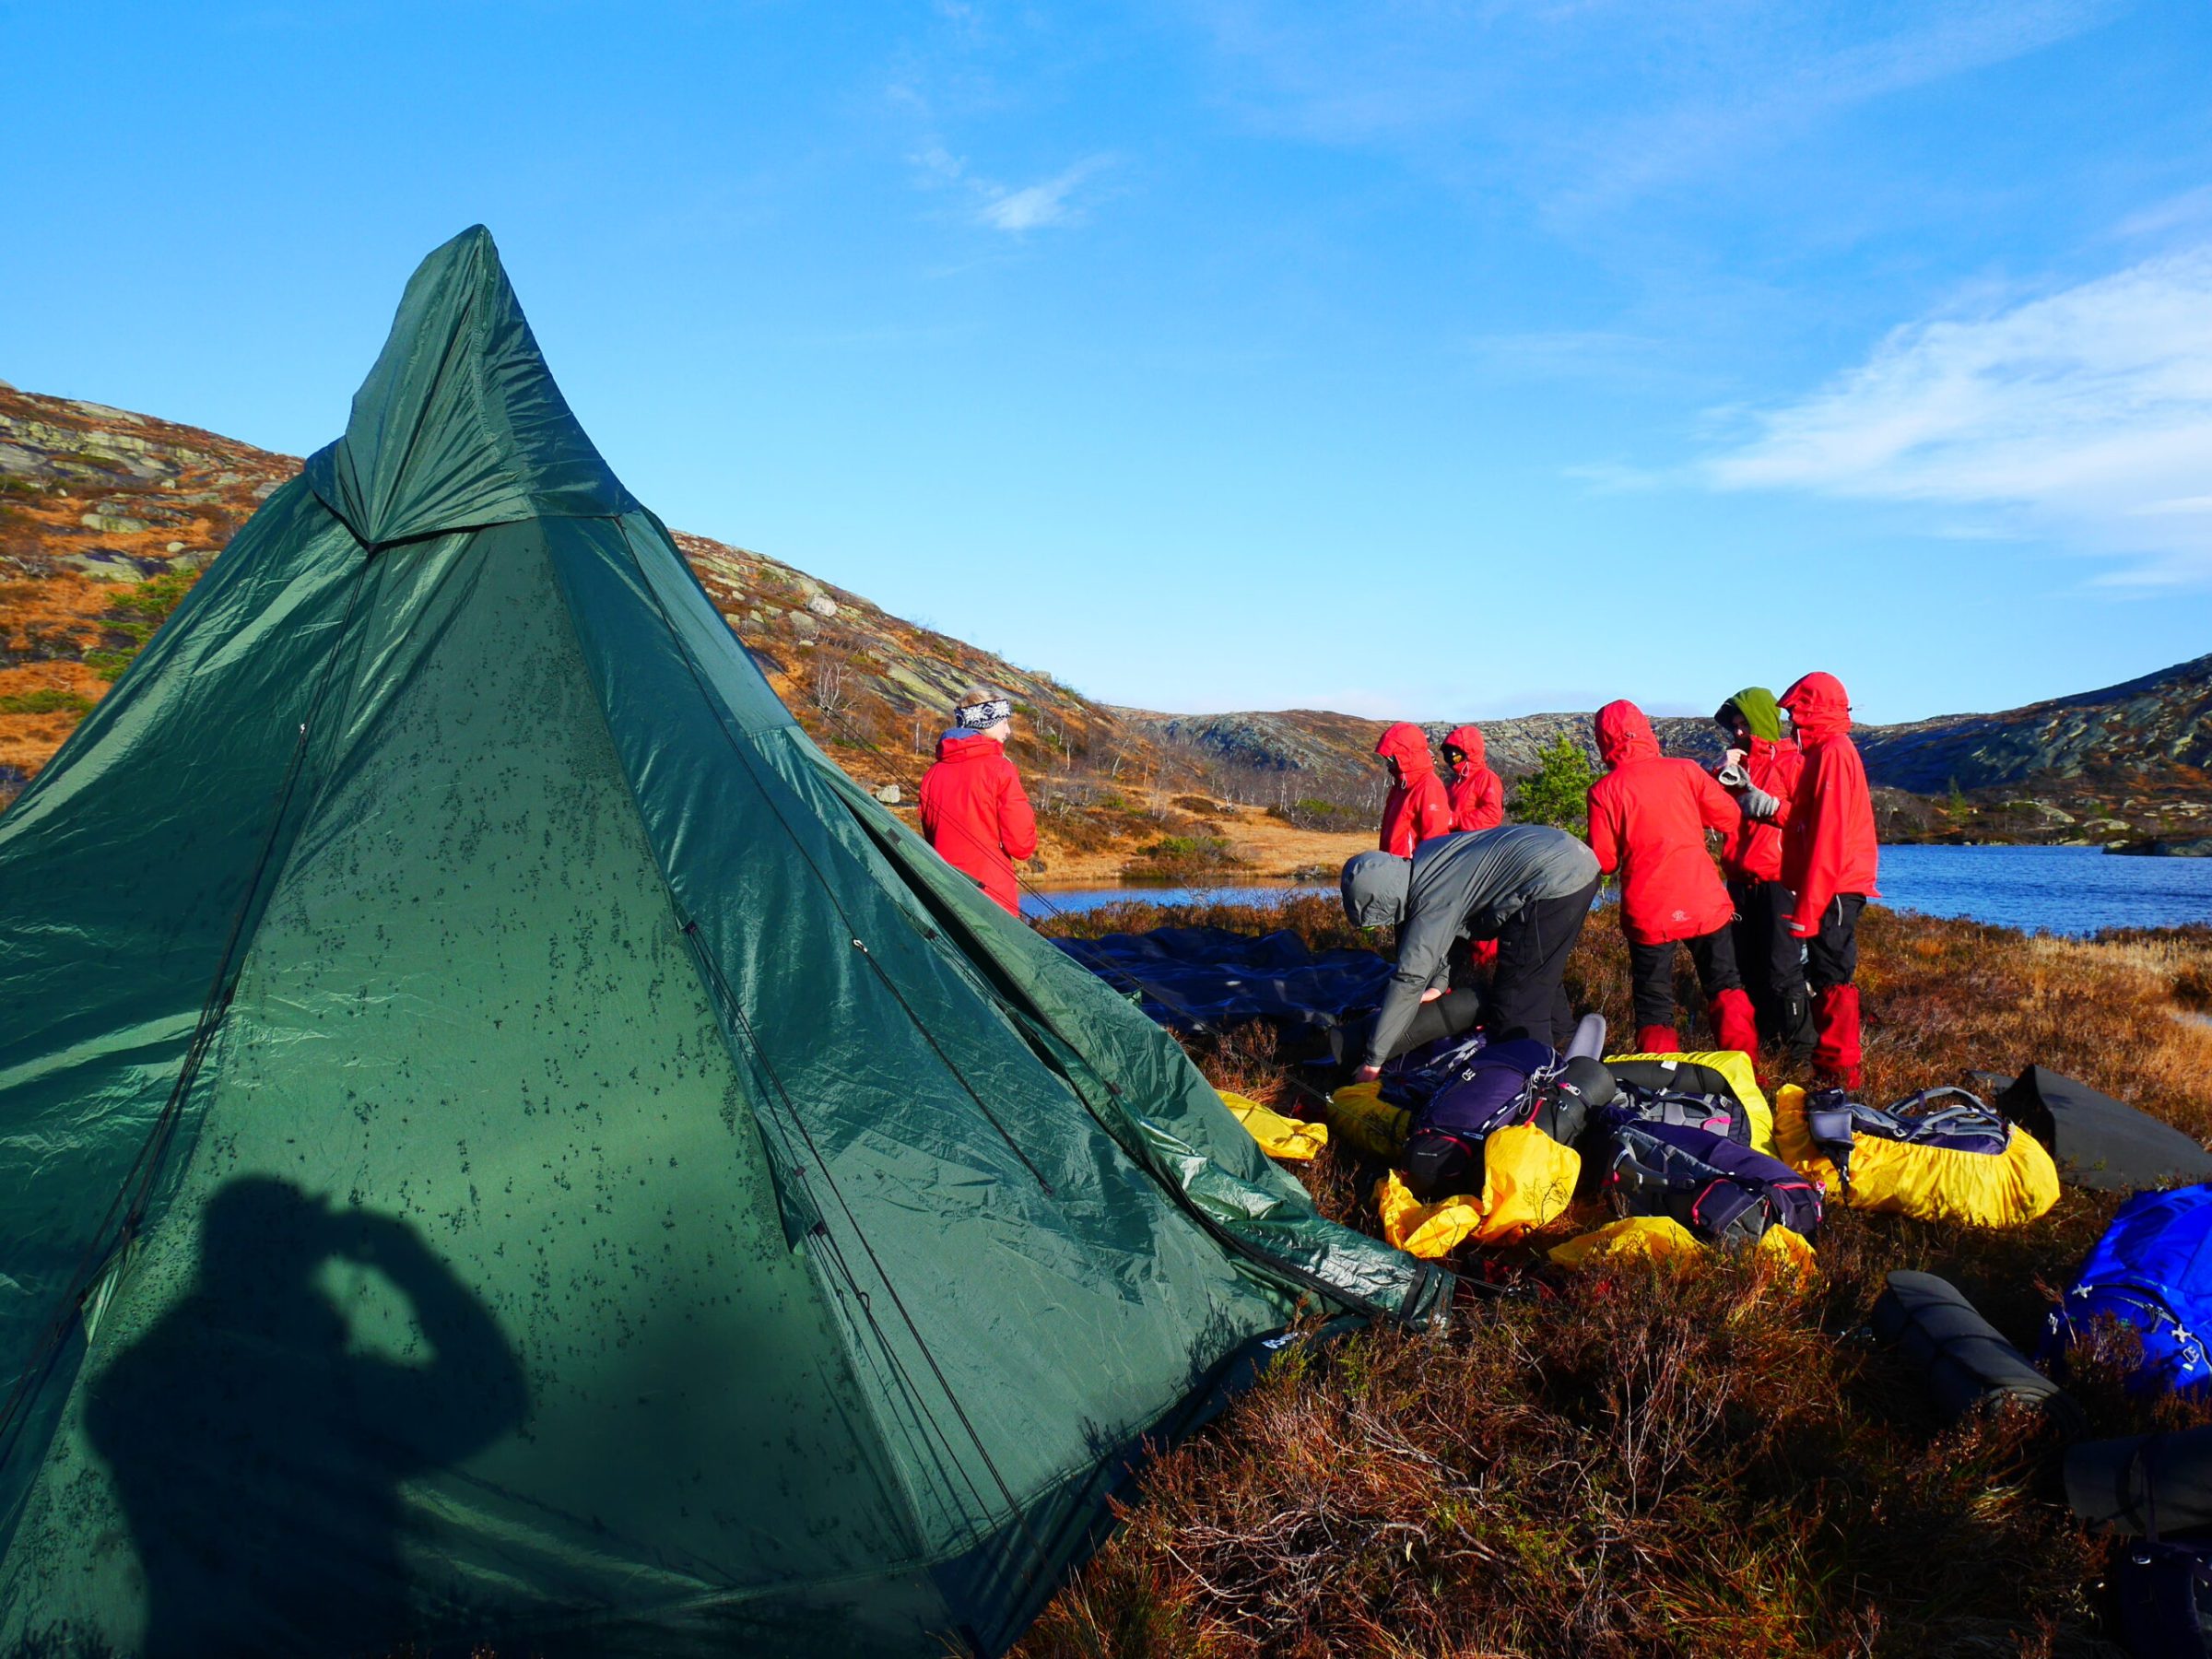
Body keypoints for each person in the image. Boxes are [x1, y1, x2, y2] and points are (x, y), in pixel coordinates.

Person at [1340, 824, 1603, 1078]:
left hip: (1553, 880)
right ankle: (1566, 1046)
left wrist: (1374, 1061)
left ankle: (1537, 1083)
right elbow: (1454, 931)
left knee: (1516, 1001)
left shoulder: (1431, 896)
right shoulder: (1430, 861)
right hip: (1575, 862)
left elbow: (1409, 979)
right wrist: (1439, 986)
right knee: (1537, 972)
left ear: (1380, 901)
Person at [1585, 699, 1759, 1059]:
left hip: (1649, 910)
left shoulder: (1604, 791)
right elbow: (1728, 817)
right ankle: (1748, 1073)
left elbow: (1604, 861)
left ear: (1604, 740)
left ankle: (1657, 1086)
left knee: (1654, 1005)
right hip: (1702, 900)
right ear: (1646, 731)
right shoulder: (1686, 771)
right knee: (1726, 986)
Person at [1734, 672, 1881, 1090]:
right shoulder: (1823, 753)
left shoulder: (1833, 752)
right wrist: (1768, 808)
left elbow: (1829, 835)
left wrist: (1810, 906)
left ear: (1813, 712)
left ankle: (1840, 1075)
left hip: (1835, 886)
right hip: (1828, 885)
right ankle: (1830, 1069)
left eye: (1797, 713)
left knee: (1832, 977)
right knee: (1823, 972)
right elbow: (1805, 821)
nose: (1792, 723)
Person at [1712, 688, 1812, 1060]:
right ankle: (1765, 1050)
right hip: (1739, 882)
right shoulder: (1736, 766)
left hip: (1779, 881)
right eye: (1734, 726)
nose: (1738, 732)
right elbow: (1708, 808)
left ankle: (1801, 1056)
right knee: (1744, 970)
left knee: (1783, 971)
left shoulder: (1793, 763)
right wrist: (1720, 770)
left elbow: (1807, 821)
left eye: (1744, 724)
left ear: (1762, 722)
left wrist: (1768, 806)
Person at [919, 688, 1038, 915]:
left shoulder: (933, 773)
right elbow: (1021, 846)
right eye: (1004, 722)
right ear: (988, 723)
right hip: (993, 894)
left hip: (945, 891)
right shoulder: (1001, 769)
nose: (1009, 730)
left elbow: (932, 835)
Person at [1374, 721, 1453, 856]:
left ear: (1405, 756)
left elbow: (1436, 840)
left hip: (1411, 870)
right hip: (1394, 866)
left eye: (1391, 758)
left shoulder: (1429, 786)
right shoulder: (1401, 785)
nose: (1387, 764)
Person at [1441, 724, 1504, 833]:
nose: (1451, 758)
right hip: (1452, 840)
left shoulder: (1486, 777)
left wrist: (1455, 820)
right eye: (1448, 755)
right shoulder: (1455, 782)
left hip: (1473, 843)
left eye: (1454, 753)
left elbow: (1492, 815)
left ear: (1469, 751)